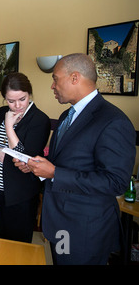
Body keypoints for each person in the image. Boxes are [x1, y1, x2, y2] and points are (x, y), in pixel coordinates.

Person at [15, 53, 136, 264]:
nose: (52, 86)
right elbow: (58, 165)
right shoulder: (66, 116)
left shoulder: (113, 121)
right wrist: (36, 168)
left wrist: (54, 173)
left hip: (84, 230)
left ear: (74, 78)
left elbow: (116, 182)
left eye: (55, 78)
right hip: (60, 222)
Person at [0, 73, 50, 242]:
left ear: (30, 94)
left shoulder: (40, 120)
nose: (17, 105)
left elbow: (24, 158)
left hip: (20, 194)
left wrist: (9, 127)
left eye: (22, 99)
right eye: (10, 101)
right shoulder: (0, 113)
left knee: (17, 244)